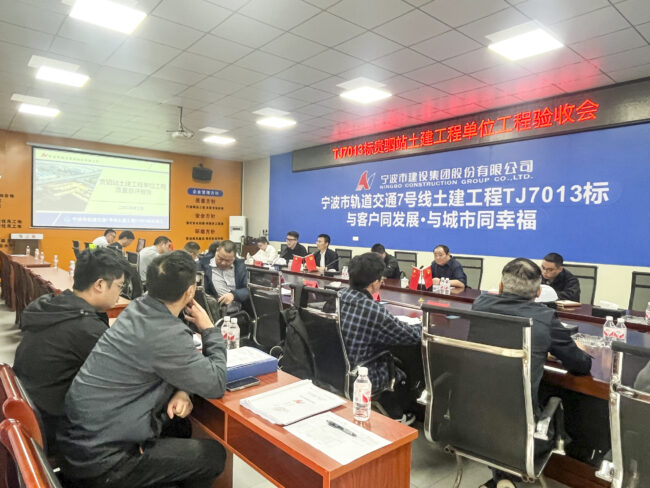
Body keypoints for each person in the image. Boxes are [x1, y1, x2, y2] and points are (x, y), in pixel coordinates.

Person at [57, 251, 227, 488]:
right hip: (106, 463)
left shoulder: (137, 308)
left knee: (180, 426)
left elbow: (161, 361)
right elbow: (216, 383)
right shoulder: (166, 333)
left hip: (78, 445)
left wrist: (183, 389)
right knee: (213, 455)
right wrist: (209, 329)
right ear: (190, 291)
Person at [470, 258, 591, 488]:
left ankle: (502, 479)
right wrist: (578, 350)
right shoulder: (544, 317)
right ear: (538, 293)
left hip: (472, 417)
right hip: (522, 428)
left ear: (501, 286)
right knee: (549, 401)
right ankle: (508, 478)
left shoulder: (480, 303)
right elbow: (580, 365)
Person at [13, 248, 132, 451]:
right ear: (100, 285)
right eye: (119, 286)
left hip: (36, 410)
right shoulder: (86, 329)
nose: (120, 294)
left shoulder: (53, 307)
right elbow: (127, 379)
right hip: (57, 428)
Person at [338, 252, 422, 421]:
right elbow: (411, 336)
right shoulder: (372, 310)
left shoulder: (338, 297)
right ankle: (401, 413)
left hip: (336, 367)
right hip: (362, 374)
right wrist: (421, 326)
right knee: (406, 365)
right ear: (375, 283)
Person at [207, 240, 248, 307]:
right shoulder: (205, 265)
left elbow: (248, 290)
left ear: (234, 258)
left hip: (237, 305)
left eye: (228, 261)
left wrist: (233, 295)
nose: (223, 263)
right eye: (220, 258)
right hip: (215, 306)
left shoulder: (241, 267)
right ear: (217, 252)